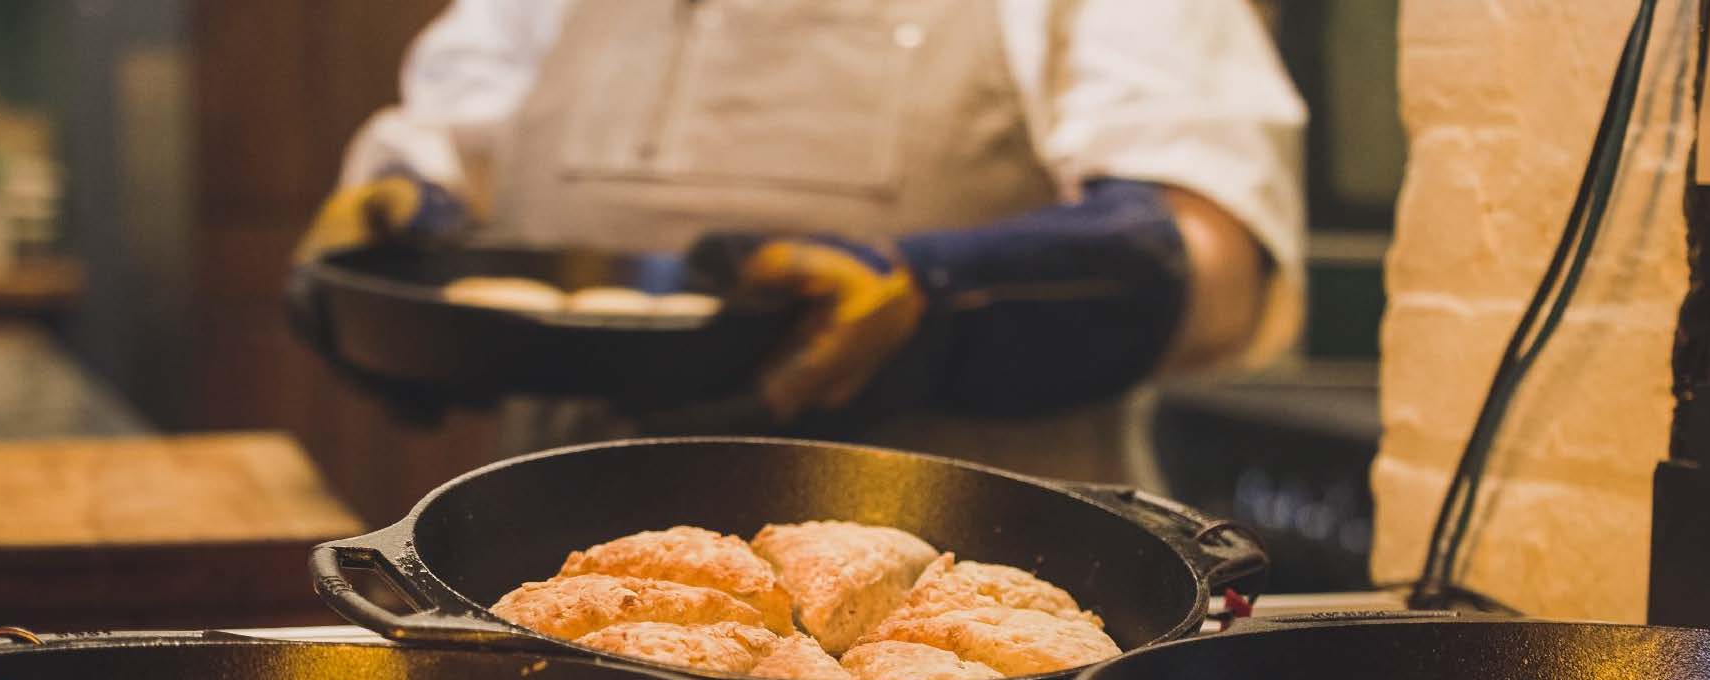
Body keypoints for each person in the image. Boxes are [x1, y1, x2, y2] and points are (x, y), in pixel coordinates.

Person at [297, 0, 1306, 476]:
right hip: (541, 590)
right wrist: (391, 245)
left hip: (963, 621)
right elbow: (449, 153)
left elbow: (1215, 275)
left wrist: (940, 303)